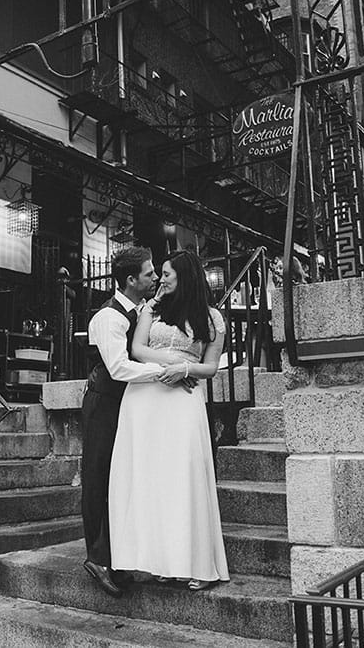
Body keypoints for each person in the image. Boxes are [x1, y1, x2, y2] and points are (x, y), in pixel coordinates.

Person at [108, 249, 230, 591]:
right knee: (153, 478)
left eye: (166, 272)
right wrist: (172, 364)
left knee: (184, 476)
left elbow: (211, 366)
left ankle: (197, 565)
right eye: (159, 273)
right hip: (146, 396)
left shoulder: (212, 318)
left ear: (185, 274)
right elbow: (137, 349)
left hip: (183, 397)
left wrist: (186, 369)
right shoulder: (152, 309)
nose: (161, 278)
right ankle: (161, 561)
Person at [80, 246, 194, 598]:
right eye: (148, 274)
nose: (155, 278)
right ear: (131, 280)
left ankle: (118, 557)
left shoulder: (141, 310)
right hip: (104, 403)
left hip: (128, 404)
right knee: (99, 477)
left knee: (123, 479)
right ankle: (97, 558)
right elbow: (118, 367)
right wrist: (166, 371)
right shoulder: (109, 318)